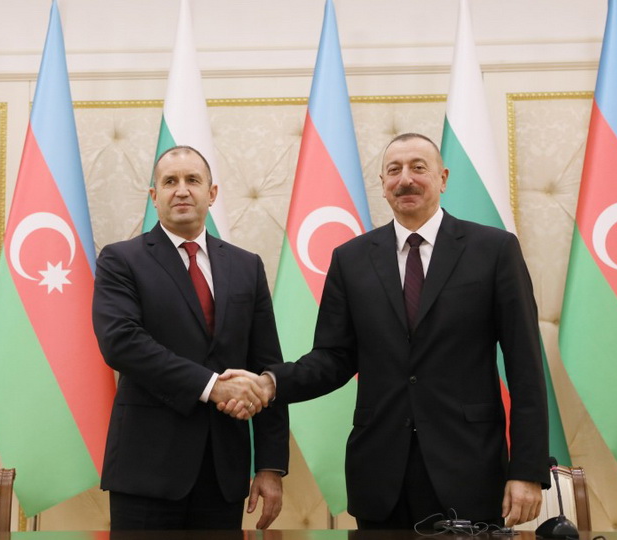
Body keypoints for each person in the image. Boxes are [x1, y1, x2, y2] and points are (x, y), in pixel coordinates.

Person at [221, 133, 549, 530]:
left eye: (418, 168)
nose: (405, 179)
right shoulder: (351, 259)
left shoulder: (493, 250)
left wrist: (527, 470)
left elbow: (526, 366)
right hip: (380, 477)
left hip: (469, 471)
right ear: (382, 183)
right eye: (394, 170)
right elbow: (333, 359)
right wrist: (270, 383)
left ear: (443, 178)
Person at [92, 145, 289, 531]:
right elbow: (121, 343)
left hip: (224, 473)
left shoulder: (247, 266)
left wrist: (270, 465)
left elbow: (266, 366)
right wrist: (212, 387)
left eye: (192, 180)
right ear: (154, 196)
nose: (181, 190)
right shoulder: (120, 260)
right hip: (147, 470)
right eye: (170, 182)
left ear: (211, 193)